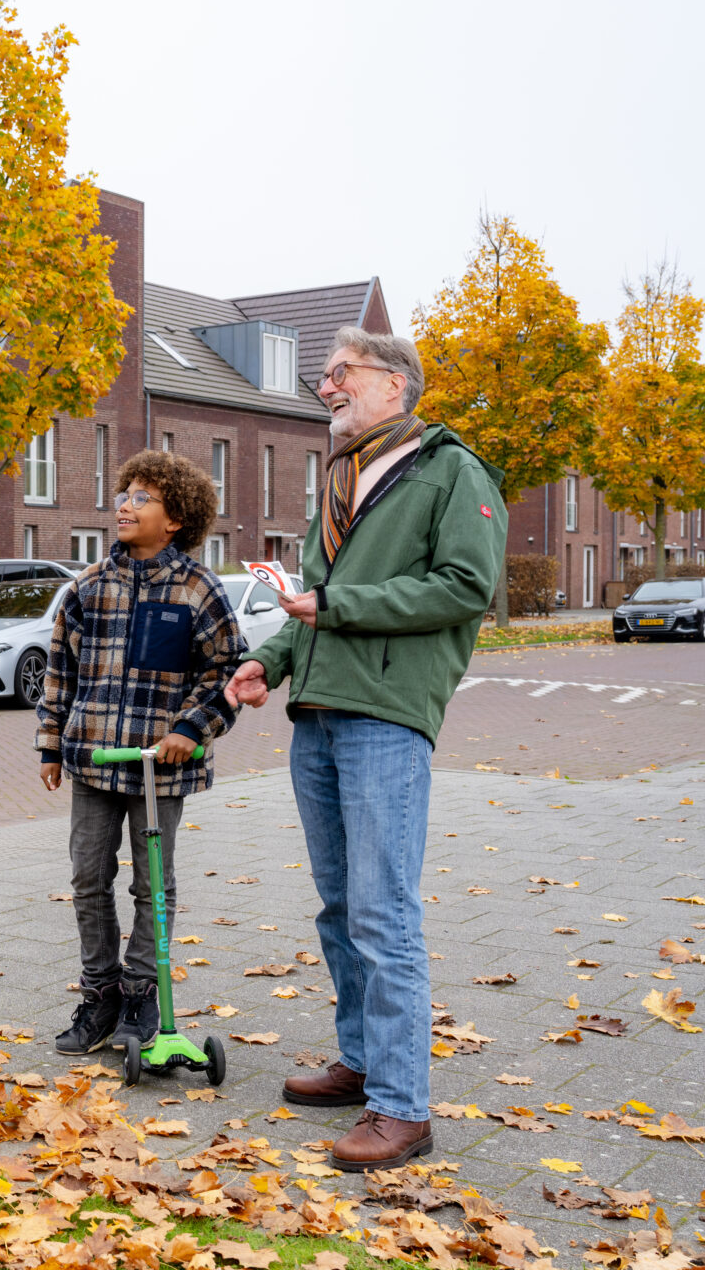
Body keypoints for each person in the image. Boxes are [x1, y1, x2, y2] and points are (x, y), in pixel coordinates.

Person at [226, 327, 507, 1172]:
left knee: (383, 911)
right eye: (324, 377)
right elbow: (312, 598)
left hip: (386, 714)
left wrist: (334, 606)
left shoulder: (452, 472)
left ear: (395, 383)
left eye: (340, 374)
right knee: (341, 906)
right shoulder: (343, 479)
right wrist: (265, 663)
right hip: (318, 712)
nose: (327, 388)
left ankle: (402, 1107)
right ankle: (360, 1063)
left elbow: (465, 587)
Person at [37, 450, 247, 1057]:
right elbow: (60, 674)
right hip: (92, 758)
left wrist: (193, 726)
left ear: (175, 517)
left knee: (152, 886)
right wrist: (52, 745)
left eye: (142, 497)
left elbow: (227, 670)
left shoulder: (198, 589)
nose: (124, 504)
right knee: (87, 878)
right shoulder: (86, 588)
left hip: (161, 765)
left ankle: (140, 995)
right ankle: (100, 995)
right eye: (124, 493)